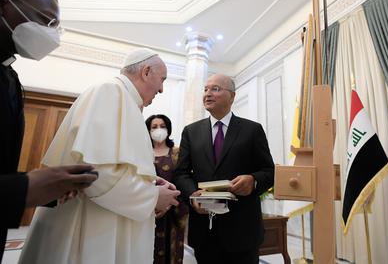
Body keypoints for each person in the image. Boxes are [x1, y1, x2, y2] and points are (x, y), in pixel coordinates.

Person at [18, 48, 181, 264]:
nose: (161, 89)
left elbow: (116, 166)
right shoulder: (110, 92)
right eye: (162, 80)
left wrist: (148, 182)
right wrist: (151, 197)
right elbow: (94, 173)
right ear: (146, 71)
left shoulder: (126, 100)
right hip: (89, 229)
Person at [0, 0, 98, 261]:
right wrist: (24, 189)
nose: (52, 33)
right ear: (5, 4)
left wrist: (43, 187)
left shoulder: (10, 77)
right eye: (46, 20)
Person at [174, 74, 275, 264]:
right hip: (204, 230)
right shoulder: (191, 131)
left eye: (215, 89)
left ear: (232, 96)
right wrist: (193, 195)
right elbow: (181, 174)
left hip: (242, 230)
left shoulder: (252, 130)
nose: (207, 94)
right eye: (205, 89)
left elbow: (269, 171)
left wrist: (253, 181)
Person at [145, 114, 189, 264]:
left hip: (173, 212)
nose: (159, 130)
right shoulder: (142, 152)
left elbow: (184, 180)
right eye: (154, 127)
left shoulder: (177, 153)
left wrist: (168, 204)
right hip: (147, 211)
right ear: (148, 131)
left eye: (162, 126)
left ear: (168, 129)